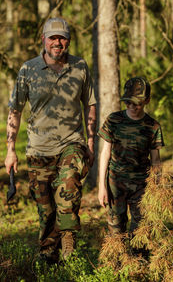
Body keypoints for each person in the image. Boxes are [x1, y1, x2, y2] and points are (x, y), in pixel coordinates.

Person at [5, 17, 96, 262]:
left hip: (71, 144)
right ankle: (48, 255)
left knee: (68, 191)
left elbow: (90, 104)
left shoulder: (80, 67)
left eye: (62, 37)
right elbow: (16, 110)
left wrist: (89, 143)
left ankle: (69, 246)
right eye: (53, 37)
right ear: (43, 39)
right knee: (45, 210)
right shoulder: (28, 69)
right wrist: (10, 150)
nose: (58, 42)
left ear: (68, 41)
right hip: (38, 150)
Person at [98, 77, 164, 235]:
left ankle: (138, 259)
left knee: (141, 231)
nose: (132, 107)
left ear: (147, 100)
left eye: (137, 103)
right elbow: (105, 153)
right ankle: (116, 260)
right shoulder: (114, 120)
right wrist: (102, 186)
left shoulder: (152, 126)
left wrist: (157, 188)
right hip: (115, 183)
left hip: (141, 185)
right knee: (115, 232)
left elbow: (156, 161)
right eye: (128, 102)